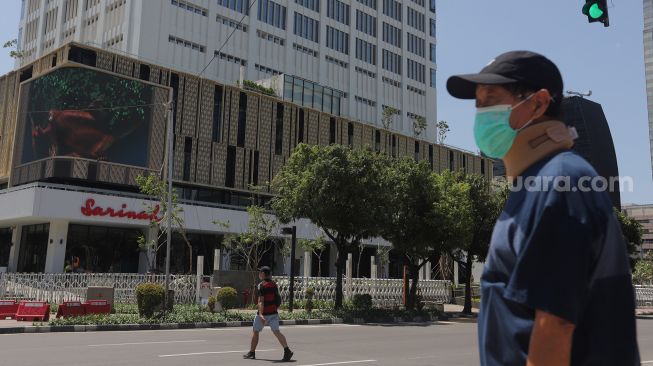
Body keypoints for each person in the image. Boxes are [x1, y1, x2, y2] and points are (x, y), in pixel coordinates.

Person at [446, 50, 640, 365]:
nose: (480, 113)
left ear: (537, 103)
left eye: (491, 99)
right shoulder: (536, 184)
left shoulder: (559, 184)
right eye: (478, 103)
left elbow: (556, 325)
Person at [243, 266, 293, 361]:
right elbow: (277, 298)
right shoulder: (274, 284)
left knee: (255, 331)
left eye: (260, 272)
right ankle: (287, 351)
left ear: (262, 274)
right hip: (273, 312)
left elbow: (261, 301)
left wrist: (261, 315)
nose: (259, 274)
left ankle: (252, 352)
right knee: (277, 332)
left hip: (264, 314)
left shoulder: (261, 285)